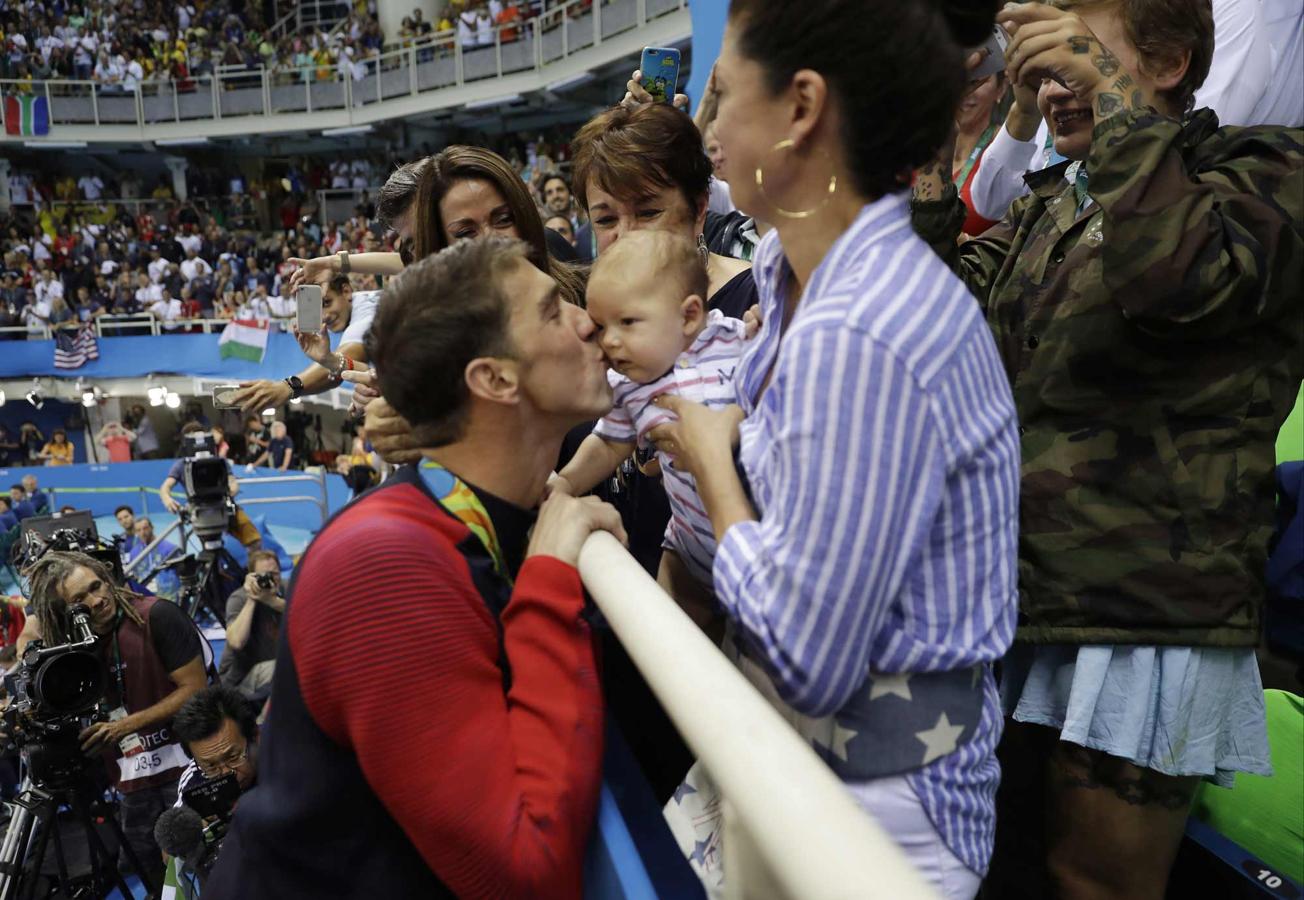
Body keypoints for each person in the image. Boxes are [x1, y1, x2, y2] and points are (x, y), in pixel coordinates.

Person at [908, 2, 1303, 898]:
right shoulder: (1056, 200)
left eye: (1074, 62)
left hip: (1148, 619)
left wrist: (1115, 101)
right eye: (1040, 68)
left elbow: (1178, 281)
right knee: (996, 867)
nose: (1053, 88)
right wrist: (931, 144)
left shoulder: (1266, 169)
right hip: (1020, 599)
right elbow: (935, 321)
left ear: (1166, 61)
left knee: (1092, 886)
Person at [653, 2, 1019, 897]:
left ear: (802, 107)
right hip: (821, 784)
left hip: (881, 824)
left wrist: (712, 470)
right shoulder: (798, 279)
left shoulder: (863, 327)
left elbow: (811, 658)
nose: (707, 127)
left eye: (726, 93)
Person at [207, 238, 622, 898]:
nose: (588, 320)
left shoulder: (474, 516)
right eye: (552, 311)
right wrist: (549, 578)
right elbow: (523, 871)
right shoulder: (384, 564)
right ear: (494, 379)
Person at [552, 231, 744, 626]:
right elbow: (607, 445)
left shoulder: (738, 341)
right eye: (602, 327)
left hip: (755, 536)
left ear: (689, 315)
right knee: (673, 647)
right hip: (688, 553)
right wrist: (563, 485)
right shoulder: (630, 387)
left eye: (628, 322)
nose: (610, 342)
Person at [18, 551, 208, 891]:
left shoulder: (157, 615)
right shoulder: (73, 646)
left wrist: (124, 726)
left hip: (187, 764)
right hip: (130, 776)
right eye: (80, 599)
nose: (98, 599)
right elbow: (31, 636)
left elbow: (194, 687)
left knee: (201, 859)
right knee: (148, 865)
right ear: (65, 610)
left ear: (106, 578)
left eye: (97, 586)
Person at [232, 275, 378, 413]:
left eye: (327, 302)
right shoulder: (365, 300)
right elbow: (343, 367)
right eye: (317, 309)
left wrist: (286, 388)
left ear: (346, 291)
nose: (324, 316)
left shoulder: (365, 316)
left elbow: (344, 360)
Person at [159, 424, 262, 551]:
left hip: (225, 508)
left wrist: (232, 488)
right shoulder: (182, 465)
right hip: (199, 513)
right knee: (209, 550)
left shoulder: (219, 462)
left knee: (254, 541)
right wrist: (167, 500)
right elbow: (166, 487)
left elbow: (232, 482)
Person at [172, 685, 261, 806]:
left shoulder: (287, 753)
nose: (226, 773)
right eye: (212, 767)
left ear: (255, 736)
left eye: (233, 757)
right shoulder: (194, 783)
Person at [218, 549, 284, 701]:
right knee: (283, 667)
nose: (270, 580)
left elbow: (307, 617)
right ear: (251, 577)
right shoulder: (238, 598)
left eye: (274, 574)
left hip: (269, 675)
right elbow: (236, 641)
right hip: (239, 681)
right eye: (263, 575)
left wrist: (272, 601)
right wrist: (252, 599)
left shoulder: (286, 590)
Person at [132, 517, 182, 597]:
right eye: (138, 530)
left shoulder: (170, 549)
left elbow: (182, 572)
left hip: (170, 595)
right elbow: (136, 575)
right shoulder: (134, 553)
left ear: (152, 528)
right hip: (148, 597)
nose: (142, 532)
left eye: (145, 528)